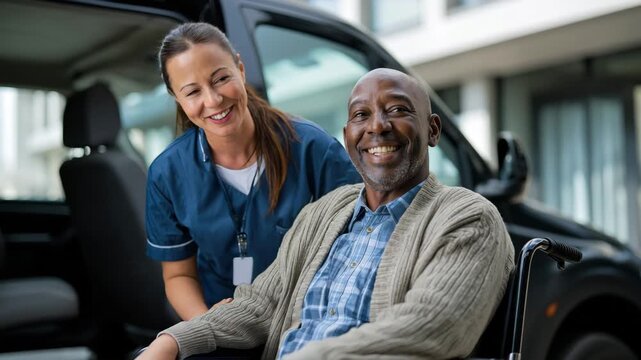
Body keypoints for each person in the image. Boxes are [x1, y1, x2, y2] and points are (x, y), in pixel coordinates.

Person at [139, 68, 515, 360]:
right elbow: (261, 304)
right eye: (361, 115)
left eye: (397, 110)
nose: (377, 126)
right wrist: (173, 341)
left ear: (432, 130)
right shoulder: (323, 213)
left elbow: (432, 326)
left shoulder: (467, 216)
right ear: (348, 135)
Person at [145, 22, 360, 321]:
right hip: (222, 320)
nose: (213, 100)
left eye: (221, 78)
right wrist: (207, 326)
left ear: (240, 69)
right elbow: (178, 276)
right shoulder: (166, 174)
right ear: (176, 98)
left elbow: (360, 243)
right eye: (192, 91)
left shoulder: (312, 147)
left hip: (308, 316)